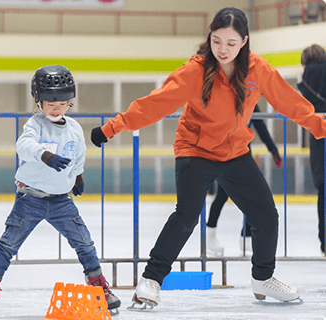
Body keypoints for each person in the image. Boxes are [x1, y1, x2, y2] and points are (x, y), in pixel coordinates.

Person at [90, 7, 326, 309]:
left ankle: (263, 279)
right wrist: (112, 128)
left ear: (244, 41)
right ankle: (150, 281)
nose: (222, 49)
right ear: (209, 38)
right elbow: (155, 104)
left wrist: (320, 126)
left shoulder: (258, 69)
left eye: (230, 43)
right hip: (195, 149)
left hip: (236, 153)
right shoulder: (196, 71)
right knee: (187, 214)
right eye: (217, 41)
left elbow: (289, 102)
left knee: (266, 216)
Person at [0, 65, 121, 317]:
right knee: (8, 245)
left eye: (62, 103)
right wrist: (46, 155)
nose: (56, 108)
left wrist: (78, 177)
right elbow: (24, 145)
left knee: (84, 243)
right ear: (38, 101)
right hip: (30, 198)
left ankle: (99, 286)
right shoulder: (35, 125)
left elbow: (78, 155)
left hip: (61, 201)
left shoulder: (74, 128)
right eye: (50, 103)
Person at [207, 104, 282, 256]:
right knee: (222, 196)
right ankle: (210, 236)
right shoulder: (224, 98)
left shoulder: (251, 101)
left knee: (252, 197)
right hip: (223, 156)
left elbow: (261, 127)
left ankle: (246, 236)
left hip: (243, 157)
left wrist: (273, 150)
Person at [297, 44, 326, 255]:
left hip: (319, 135)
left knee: (323, 190)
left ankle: (325, 242)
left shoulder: (307, 74)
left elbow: (304, 105)